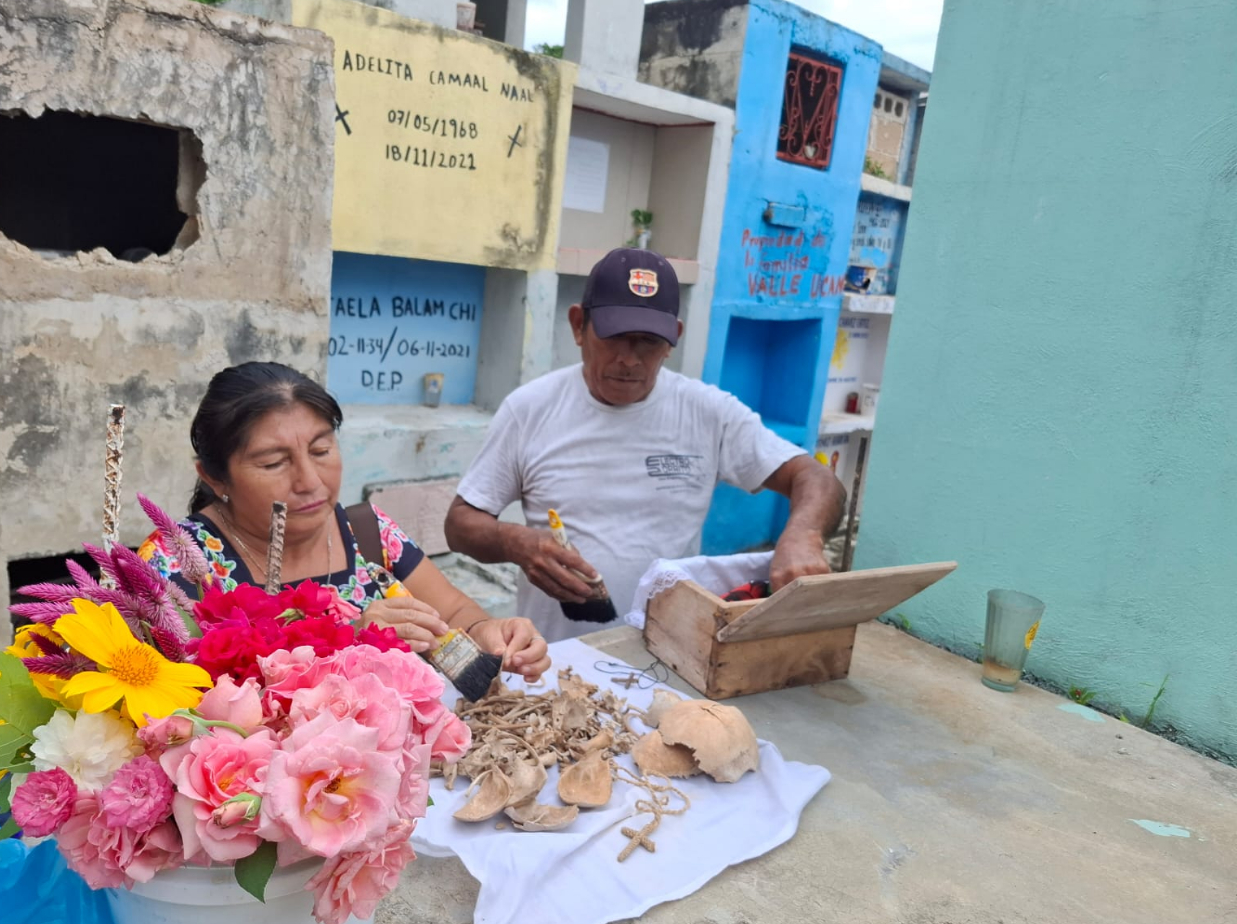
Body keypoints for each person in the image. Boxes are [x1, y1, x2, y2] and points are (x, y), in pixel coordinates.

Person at [444, 248, 847, 643]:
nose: (630, 359)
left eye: (648, 342)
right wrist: (516, 543)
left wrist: (803, 535)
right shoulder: (530, 409)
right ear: (578, 325)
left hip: (670, 651)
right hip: (554, 659)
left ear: (674, 340)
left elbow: (813, 476)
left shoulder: (708, 412)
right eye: (616, 337)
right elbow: (461, 524)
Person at [140, 361, 549, 680]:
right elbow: (179, 702)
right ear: (214, 477)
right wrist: (353, 641)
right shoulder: (175, 565)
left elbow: (454, 611)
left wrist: (487, 632)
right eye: (273, 463)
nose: (310, 481)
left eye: (320, 451)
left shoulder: (367, 534)